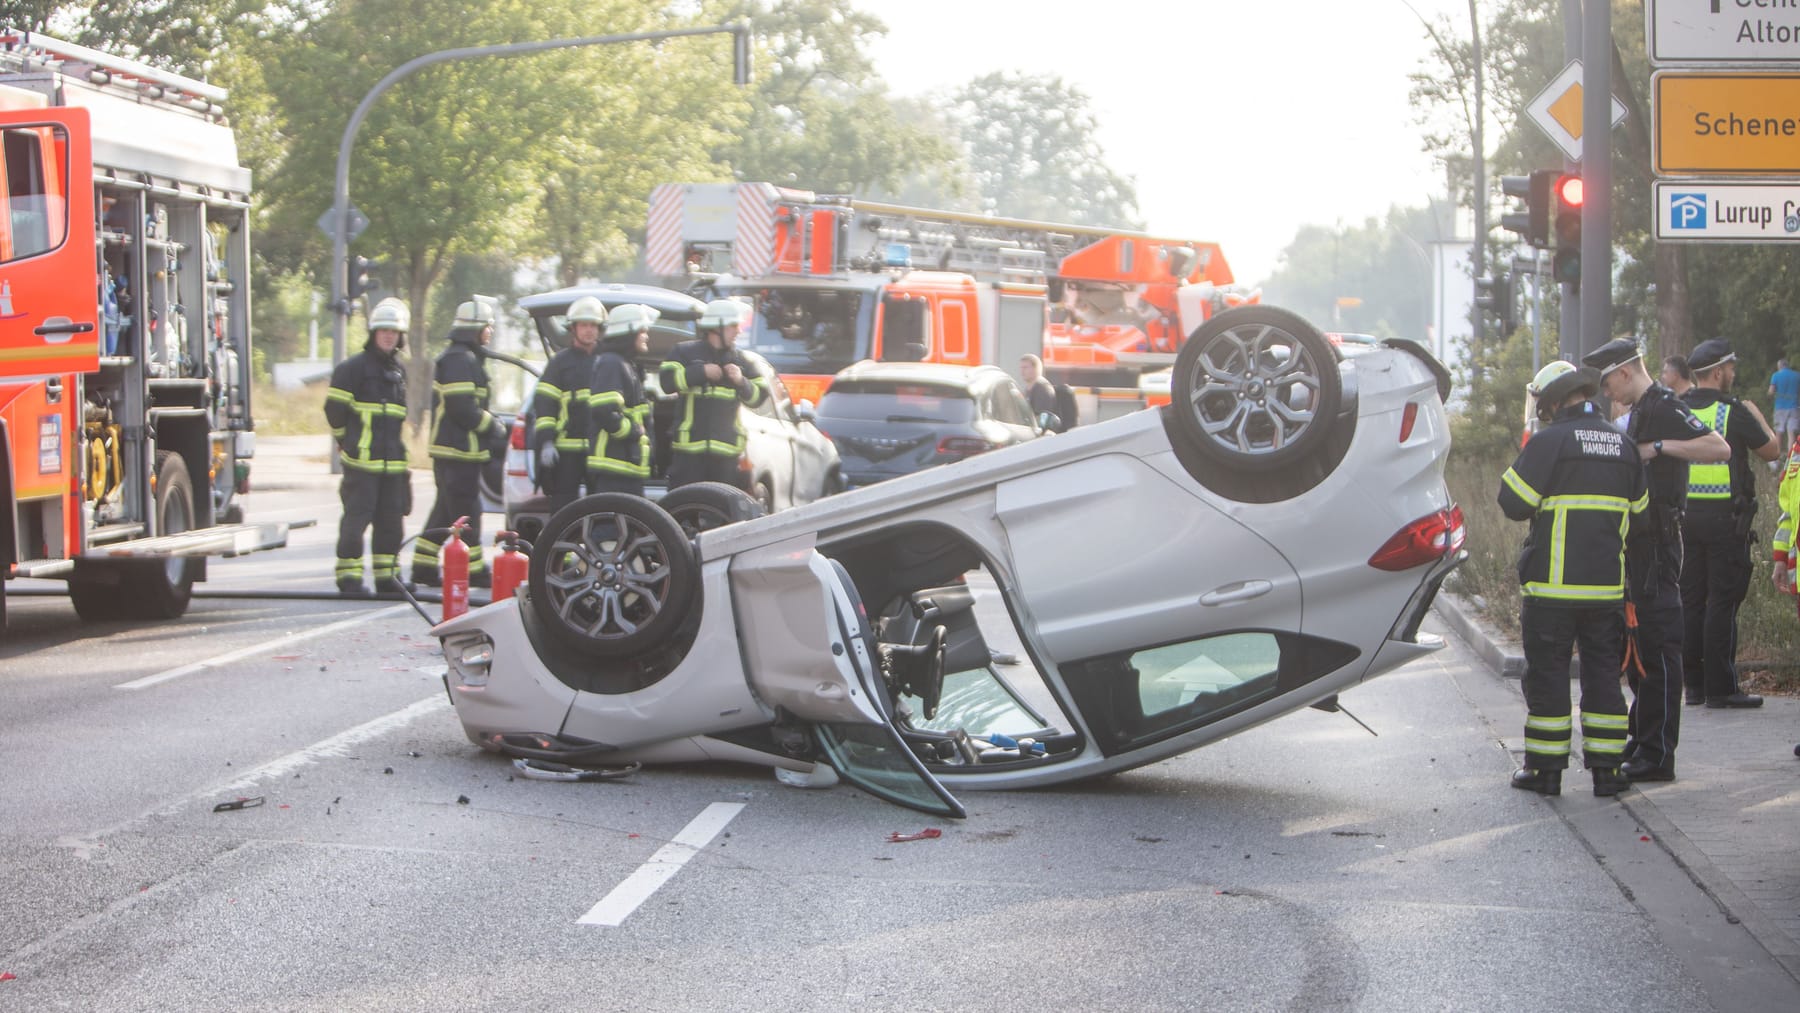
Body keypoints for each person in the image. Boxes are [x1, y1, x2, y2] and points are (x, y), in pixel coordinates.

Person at [1582, 337, 1730, 783]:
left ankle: (1658, 753)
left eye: (1608, 384)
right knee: (1640, 647)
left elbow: (1717, 448)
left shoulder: (1663, 406)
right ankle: (1642, 738)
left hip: (1661, 546)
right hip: (1638, 548)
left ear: (1625, 372)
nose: (1607, 393)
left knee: (1661, 649)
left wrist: (1661, 447)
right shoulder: (1639, 411)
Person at [1498, 362, 1645, 798]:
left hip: (1552, 593)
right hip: (1605, 592)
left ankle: (1545, 772)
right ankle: (1608, 772)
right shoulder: (1624, 444)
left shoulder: (1550, 442)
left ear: (1554, 400)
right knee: (1603, 677)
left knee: (1548, 678)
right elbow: (1641, 516)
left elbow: (1513, 503)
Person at [1679, 338, 1779, 709]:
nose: (1734, 374)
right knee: (1722, 601)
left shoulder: (1679, 407)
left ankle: (1694, 686)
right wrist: (1759, 415)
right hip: (1725, 520)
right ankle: (1721, 688)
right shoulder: (1733, 411)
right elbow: (1771, 450)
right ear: (1718, 372)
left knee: (1691, 599)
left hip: (1685, 519)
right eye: (1731, 368)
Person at [413, 298, 507, 589]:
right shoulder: (460, 360)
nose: (489, 333)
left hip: (458, 452)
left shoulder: (464, 357)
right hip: (457, 452)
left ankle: (423, 567)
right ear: (475, 330)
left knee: (445, 511)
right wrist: (493, 426)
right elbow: (462, 408)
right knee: (468, 514)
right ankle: (475, 570)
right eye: (487, 328)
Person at [324, 297, 413, 595]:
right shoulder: (352, 368)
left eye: (394, 331)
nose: (389, 335)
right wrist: (344, 441)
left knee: (391, 524)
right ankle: (348, 578)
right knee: (356, 521)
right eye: (383, 330)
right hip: (362, 463)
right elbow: (333, 411)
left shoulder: (400, 372)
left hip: (392, 465)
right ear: (373, 333)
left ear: (401, 336)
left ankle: (388, 578)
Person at [660, 298, 766, 491]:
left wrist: (742, 381)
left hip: (726, 457)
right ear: (716, 327)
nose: (739, 331)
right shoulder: (683, 353)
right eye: (734, 325)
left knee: (723, 512)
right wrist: (700, 372)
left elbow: (759, 397)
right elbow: (666, 382)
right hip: (688, 454)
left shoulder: (741, 361)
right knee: (683, 507)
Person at [531, 296, 603, 514]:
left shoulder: (608, 361)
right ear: (573, 328)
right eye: (583, 325)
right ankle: (561, 548)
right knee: (563, 509)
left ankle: (596, 548)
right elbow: (545, 406)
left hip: (599, 449)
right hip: (566, 451)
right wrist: (546, 443)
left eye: (593, 325)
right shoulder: (559, 363)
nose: (588, 330)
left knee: (601, 506)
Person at [587, 302, 655, 497]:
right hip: (613, 468)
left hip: (625, 467)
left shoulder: (624, 364)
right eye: (643, 330)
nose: (647, 336)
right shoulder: (612, 363)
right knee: (610, 525)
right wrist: (635, 431)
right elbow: (604, 411)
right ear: (630, 332)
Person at [1769, 356, 1799, 463]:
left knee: (1779, 432)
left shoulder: (1776, 376)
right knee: (1791, 433)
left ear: (1780, 366)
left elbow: (1771, 392)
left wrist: (1774, 393)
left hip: (1780, 408)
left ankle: (1776, 458)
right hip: (1794, 407)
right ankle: (1791, 458)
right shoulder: (1797, 375)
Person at [1019, 353, 1057, 418]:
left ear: (1035, 368)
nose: (1022, 371)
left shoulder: (1042, 388)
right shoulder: (1029, 388)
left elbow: (1041, 417)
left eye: (1025, 367)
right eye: (1021, 368)